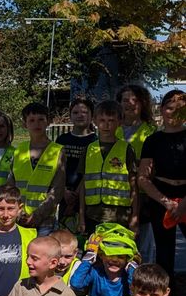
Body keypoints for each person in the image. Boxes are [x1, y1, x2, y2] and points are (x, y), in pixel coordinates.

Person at [138, 89, 186, 278]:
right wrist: (167, 202)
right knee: (164, 255)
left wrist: (183, 203)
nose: (174, 113)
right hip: (162, 197)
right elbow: (143, 178)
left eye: (181, 109)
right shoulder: (153, 140)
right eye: (170, 108)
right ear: (162, 109)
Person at [78, 99, 138, 235]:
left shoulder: (126, 149)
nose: (106, 125)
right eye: (102, 120)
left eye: (111, 120)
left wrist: (134, 217)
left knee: (116, 254)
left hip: (120, 216)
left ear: (119, 122)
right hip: (92, 215)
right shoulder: (88, 149)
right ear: (95, 120)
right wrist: (81, 218)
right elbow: (83, 185)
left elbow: (133, 184)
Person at [10, 102, 65, 235]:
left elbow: (57, 190)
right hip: (19, 217)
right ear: (25, 124)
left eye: (41, 120)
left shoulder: (57, 151)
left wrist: (38, 215)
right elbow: (11, 185)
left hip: (45, 220)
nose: (37, 124)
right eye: (32, 120)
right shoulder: (19, 151)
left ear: (48, 122)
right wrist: (18, 212)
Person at [56, 97, 96, 229]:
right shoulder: (62, 139)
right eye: (76, 112)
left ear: (91, 115)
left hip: (87, 197)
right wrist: (64, 191)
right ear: (71, 116)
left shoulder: (95, 141)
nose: (80, 116)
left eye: (84, 112)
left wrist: (77, 194)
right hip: (64, 196)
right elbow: (56, 168)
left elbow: (90, 171)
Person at [116, 84, 156, 157]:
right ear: (119, 104)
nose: (131, 103)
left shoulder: (152, 130)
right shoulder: (111, 128)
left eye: (135, 100)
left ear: (143, 104)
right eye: (125, 100)